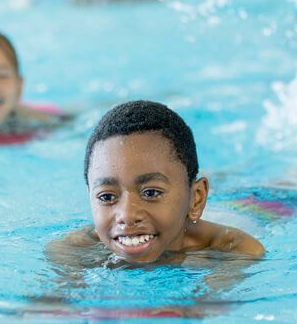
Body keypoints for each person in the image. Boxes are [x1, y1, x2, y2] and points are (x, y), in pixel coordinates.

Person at [47, 100, 264, 266]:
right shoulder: (74, 251)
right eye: (106, 196)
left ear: (196, 199)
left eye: (151, 193)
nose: (127, 215)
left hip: (252, 210)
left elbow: (204, 307)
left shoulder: (232, 251)